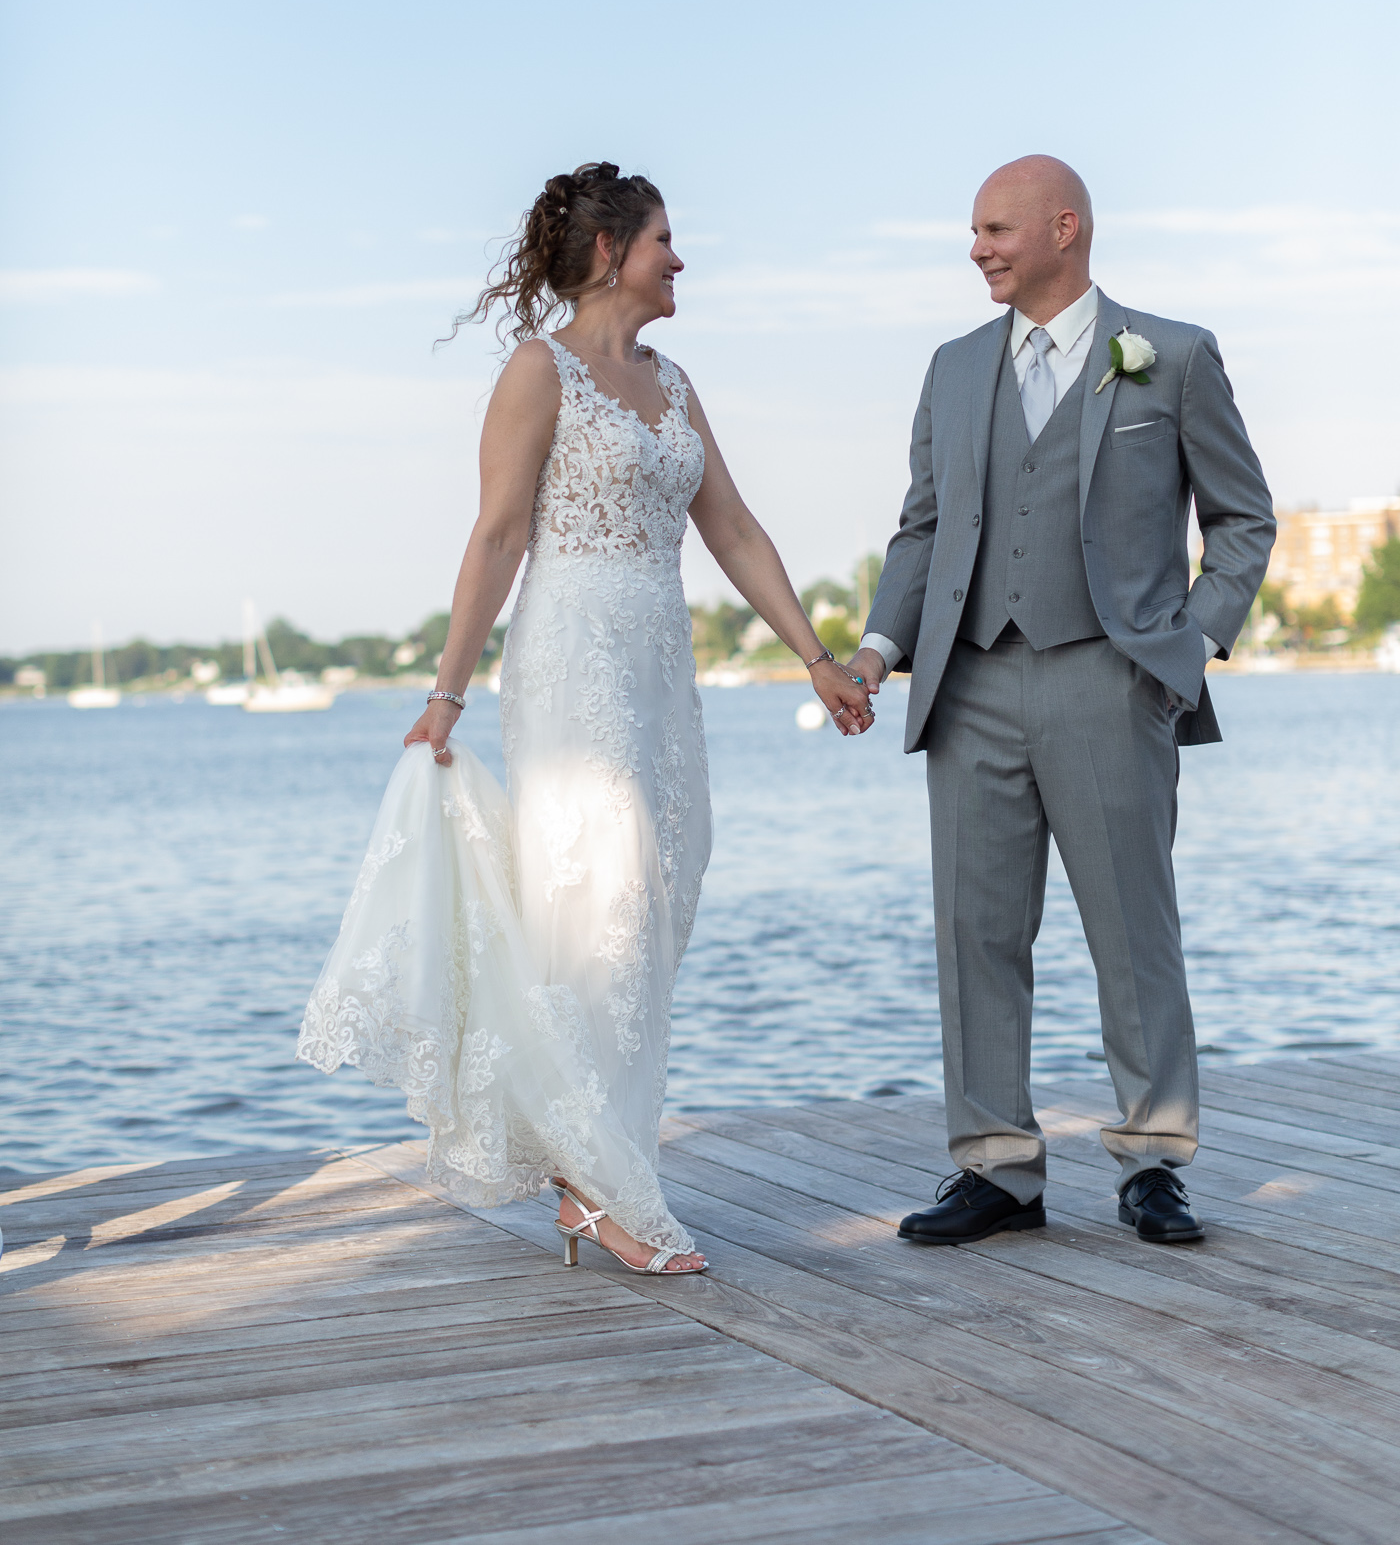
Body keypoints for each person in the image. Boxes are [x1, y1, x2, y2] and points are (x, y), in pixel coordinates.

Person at [297, 162, 872, 1275]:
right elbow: (497, 535)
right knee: (594, 908)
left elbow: (735, 529)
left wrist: (813, 657)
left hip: (661, 667)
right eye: (665, 239)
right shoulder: (536, 371)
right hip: (571, 660)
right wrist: (445, 691)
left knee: (655, 904)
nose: (680, 258)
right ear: (611, 252)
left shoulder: (674, 379)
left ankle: (587, 1162)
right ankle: (606, 1186)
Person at [848, 156, 1275, 1246]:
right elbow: (922, 525)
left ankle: (1151, 1158)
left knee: (1131, 929)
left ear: (1062, 228)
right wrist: (874, 646)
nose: (978, 248)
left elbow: (1241, 520)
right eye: (974, 232)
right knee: (975, 930)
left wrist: (1187, 645)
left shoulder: (1168, 355)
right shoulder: (949, 368)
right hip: (970, 680)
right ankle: (995, 1165)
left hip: (1110, 675)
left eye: (994, 229)